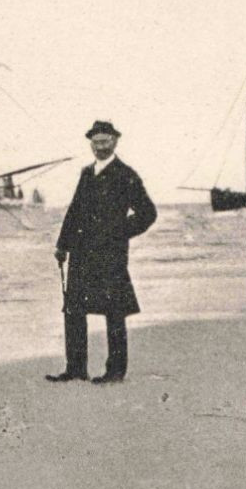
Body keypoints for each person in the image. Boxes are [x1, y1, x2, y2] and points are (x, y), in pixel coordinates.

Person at [48, 120, 157, 385]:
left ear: (115, 142)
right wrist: (63, 245)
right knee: (74, 309)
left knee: (114, 312)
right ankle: (75, 368)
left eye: (105, 142)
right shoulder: (87, 174)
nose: (100, 147)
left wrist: (119, 231)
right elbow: (74, 211)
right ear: (91, 145)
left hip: (110, 255)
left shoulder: (126, 174)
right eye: (96, 143)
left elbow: (148, 213)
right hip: (81, 253)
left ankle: (115, 371)